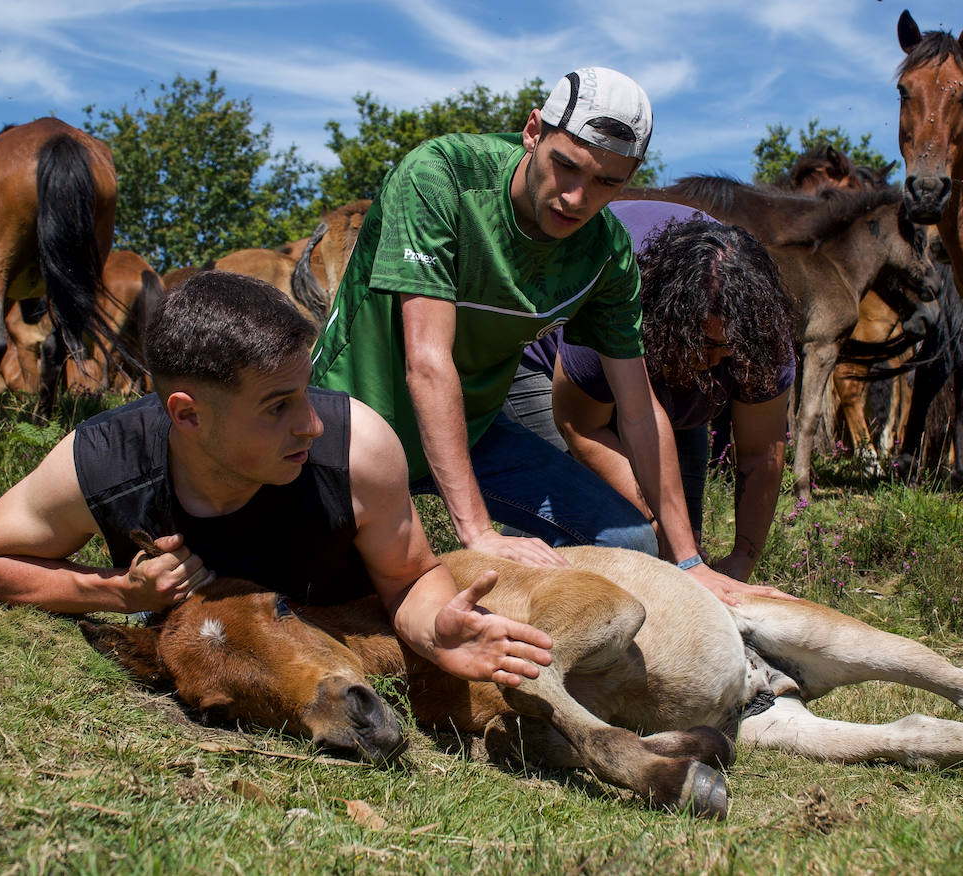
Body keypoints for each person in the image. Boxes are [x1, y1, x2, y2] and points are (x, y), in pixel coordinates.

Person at [312, 67, 783, 604]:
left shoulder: (606, 252)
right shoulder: (439, 177)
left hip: (476, 426)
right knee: (326, 592)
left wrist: (689, 560)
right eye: (567, 166)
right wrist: (477, 532)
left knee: (627, 541)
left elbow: (637, 408)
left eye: (608, 182)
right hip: (355, 421)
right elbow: (427, 362)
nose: (577, 199)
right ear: (534, 131)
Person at [0, 270, 553, 688]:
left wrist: (436, 629)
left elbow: (409, 576)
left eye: (306, 391)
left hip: (347, 654)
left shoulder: (360, 449)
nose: (312, 424)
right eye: (278, 406)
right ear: (187, 415)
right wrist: (118, 593)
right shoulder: (105, 460)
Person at [505, 201, 795, 582]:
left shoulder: (760, 333)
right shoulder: (614, 300)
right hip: (547, 367)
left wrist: (741, 559)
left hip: (661, 379)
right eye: (704, 344)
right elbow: (581, 427)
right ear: (668, 320)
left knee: (681, 550)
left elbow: (761, 455)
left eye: (728, 351)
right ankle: (519, 577)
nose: (712, 362)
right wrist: (656, 527)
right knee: (615, 527)